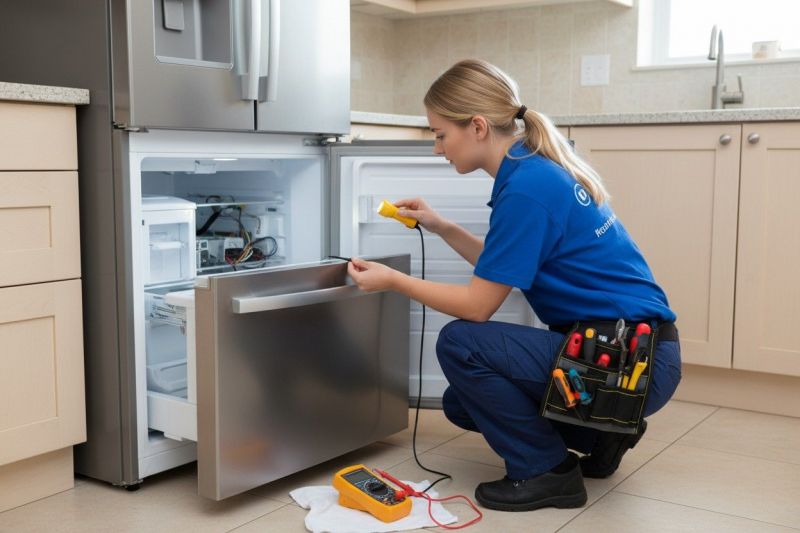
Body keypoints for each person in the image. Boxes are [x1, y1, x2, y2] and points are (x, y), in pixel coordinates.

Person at [346, 59, 682, 512]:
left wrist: (394, 281)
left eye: (440, 134)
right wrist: (442, 226)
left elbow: (477, 307)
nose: (436, 149)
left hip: (631, 362)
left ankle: (547, 471)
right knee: (461, 403)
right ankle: (601, 435)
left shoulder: (527, 188)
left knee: (462, 343)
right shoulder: (532, 170)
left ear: (478, 126)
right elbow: (504, 264)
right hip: (630, 352)